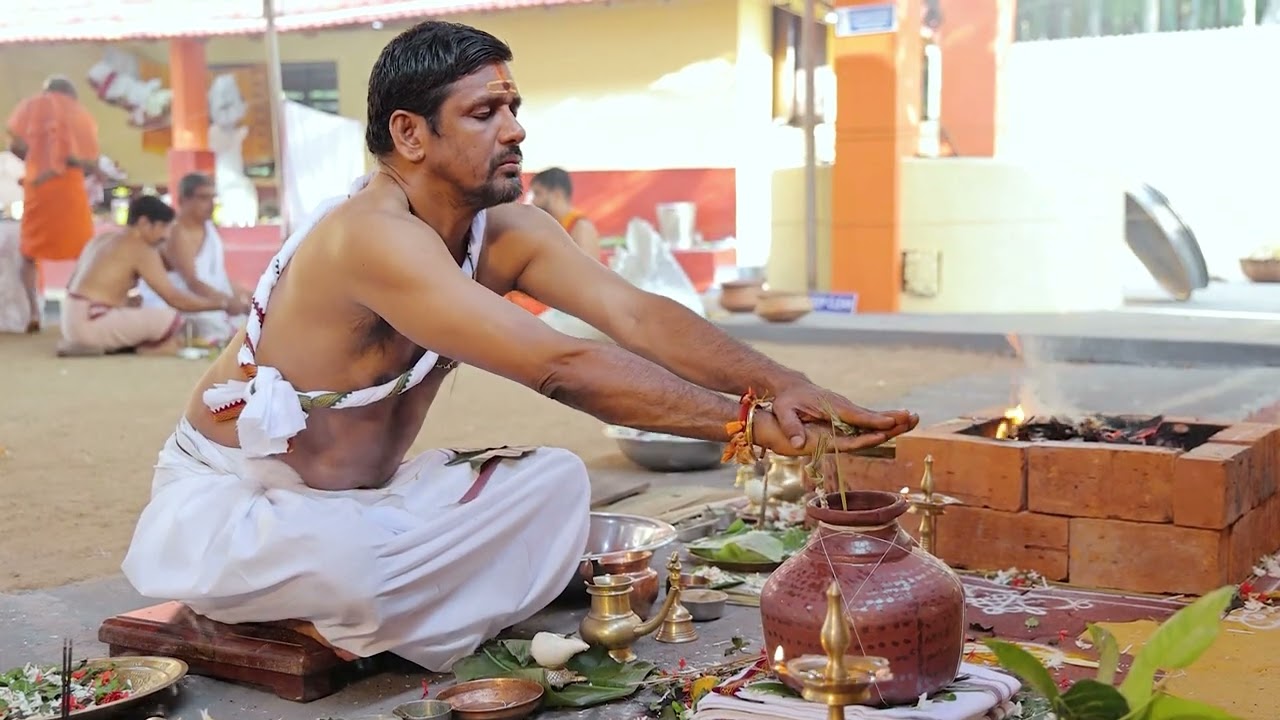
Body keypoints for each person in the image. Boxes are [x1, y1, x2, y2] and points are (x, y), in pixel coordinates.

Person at [119, 20, 918, 672]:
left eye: (514, 105)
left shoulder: (504, 232)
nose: (516, 128)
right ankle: (349, 602)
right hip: (239, 508)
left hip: (368, 502)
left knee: (557, 484)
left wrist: (783, 384)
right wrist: (743, 425)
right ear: (410, 133)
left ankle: (383, 606)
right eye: (485, 112)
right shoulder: (369, 238)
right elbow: (559, 366)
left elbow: (633, 314)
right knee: (354, 566)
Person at [57, 195, 244, 357]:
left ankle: (105, 342)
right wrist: (224, 305)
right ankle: (144, 347)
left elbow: (76, 287)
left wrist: (123, 303)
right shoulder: (141, 248)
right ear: (144, 223)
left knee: (146, 311)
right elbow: (174, 298)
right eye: (163, 227)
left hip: (70, 322)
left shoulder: (101, 239)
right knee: (170, 318)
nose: (166, 235)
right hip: (91, 324)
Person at [6, 75, 100, 333]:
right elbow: (91, 162)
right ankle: (77, 308)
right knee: (83, 252)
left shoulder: (30, 106)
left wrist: (36, 157)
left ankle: (34, 312)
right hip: (70, 188)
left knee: (28, 254)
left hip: (39, 187)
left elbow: (16, 145)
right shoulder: (81, 114)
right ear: (71, 94)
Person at [136, 173, 251, 347]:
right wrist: (226, 303)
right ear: (183, 200)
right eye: (203, 198)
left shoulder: (209, 229)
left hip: (211, 302)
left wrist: (247, 296)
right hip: (181, 305)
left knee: (258, 321)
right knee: (218, 328)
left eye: (213, 198)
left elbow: (217, 277)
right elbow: (193, 282)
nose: (211, 205)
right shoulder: (176, 232)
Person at [507, 166, 602, 315]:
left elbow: (587, 285)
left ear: (557, 195)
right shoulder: (546, 227)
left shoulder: (580, 227)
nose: (532, 201)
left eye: (538, 194)